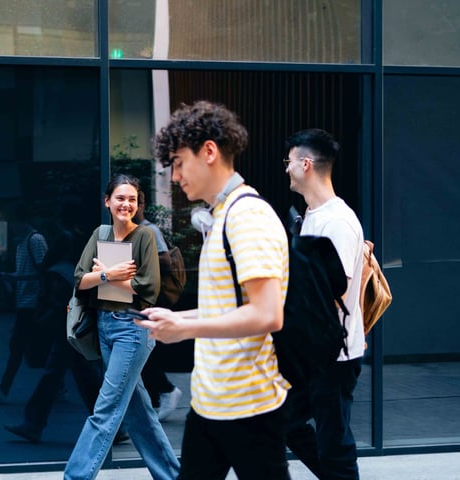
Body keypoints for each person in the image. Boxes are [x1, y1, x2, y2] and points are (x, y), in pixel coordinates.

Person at [137, 100, 291, 480]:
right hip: (211, 401)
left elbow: (267, 313)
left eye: (177, 162)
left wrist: (185, 329)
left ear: (208, 151)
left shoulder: (247, 216)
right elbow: (224, 305)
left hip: (248, 405)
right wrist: (178, 316)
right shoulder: (223, 215)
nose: (175, 176)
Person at [63, 174, 180, 480]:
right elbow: (80, 278)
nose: (126, 204)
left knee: (106, 408)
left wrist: (108, 275)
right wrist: (109, 274)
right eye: (120, 198)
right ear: (107, 201)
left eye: (132, 199)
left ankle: (74, 477)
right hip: (104, 325)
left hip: (132, 328)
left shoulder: (144, 236)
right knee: (138, 412)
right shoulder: (100, 233)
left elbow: (148, 289)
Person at [282, 128, 365, 480]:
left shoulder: (338, 222)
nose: (285, 169)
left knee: (336, 445)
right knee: (284, 423)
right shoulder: (312, 216)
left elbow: (335, 290)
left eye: (288, 162)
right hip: (311, 354)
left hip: (335, 355)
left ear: (305, 164)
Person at [3, 199, 104, 443]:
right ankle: (110, 423)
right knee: (78, 370)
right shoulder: (88, 238)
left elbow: (46, 265)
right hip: (77, 308)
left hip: (64, 308)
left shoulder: (65, 238)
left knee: (59, 368)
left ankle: (34, 422)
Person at [0, 202, 48, 405]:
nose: (11, 226)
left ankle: (3, 389)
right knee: (39, 347)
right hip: (27, 302)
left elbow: (43, 273)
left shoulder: (35, 241)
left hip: (32, 302)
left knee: (18, 346)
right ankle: (58, 385)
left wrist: (14, 279)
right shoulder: (24, 243)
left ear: (21, 221)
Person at [134, 189, 183, 421]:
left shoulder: (150, 230)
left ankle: (167, 390)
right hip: (141, 297)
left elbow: (164, 259)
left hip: (153, 298)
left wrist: (138, 261)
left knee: (146, 352)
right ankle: (159, 394)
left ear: (141, 204)